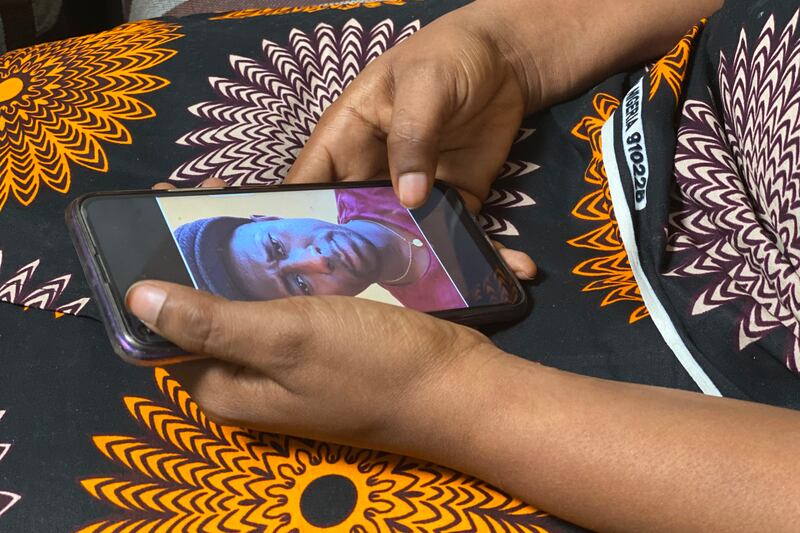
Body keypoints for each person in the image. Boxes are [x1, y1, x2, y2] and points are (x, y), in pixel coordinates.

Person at [127, 0, 800, 530]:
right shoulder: (401, 177)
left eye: (282, 253)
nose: (314, 257)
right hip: (624, 81)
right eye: (295, 281)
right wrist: (510, 45)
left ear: (275, 223)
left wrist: (444, 398)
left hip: (673, 423)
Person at [172, 187, 466, 311]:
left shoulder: (363, 171)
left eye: (276, 246)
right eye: (301, 284)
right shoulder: (445, 308)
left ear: (269, 218)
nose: (317, 261)